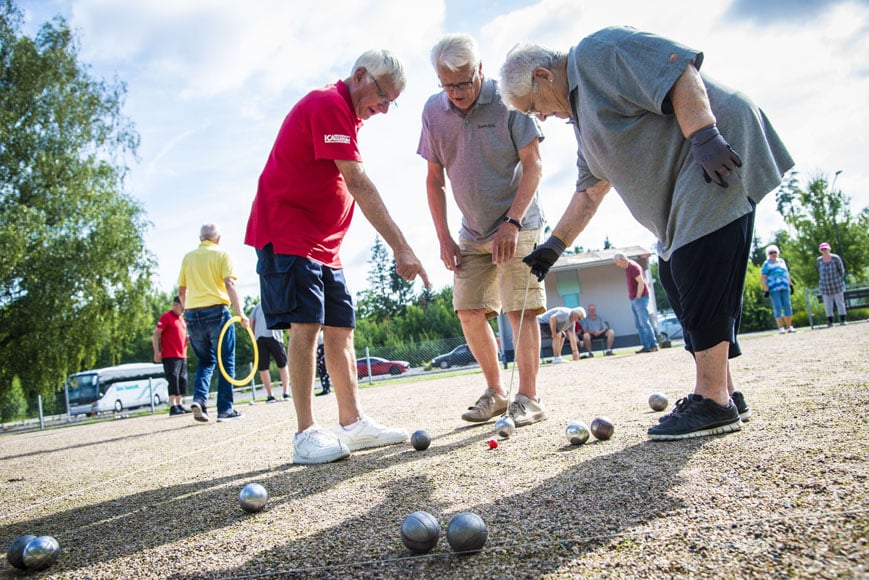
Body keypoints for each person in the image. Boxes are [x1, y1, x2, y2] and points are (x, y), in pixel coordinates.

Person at [500, 26, 793, 440]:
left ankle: (713, 401)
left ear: (545, 76)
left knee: (697, 262)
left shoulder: (596, 53)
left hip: (713, 152)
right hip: (684, 185)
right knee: (676, 275)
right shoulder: (584, 123)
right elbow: (588, 192)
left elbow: (676, 69)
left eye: (534, 107)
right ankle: (725, 391)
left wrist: (704, 134)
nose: (541, 117)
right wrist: (554, 246)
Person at [245, 49, 430, 464]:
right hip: (288, 231)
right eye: (383, 97)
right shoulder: (329, 103)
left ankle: (352, 421)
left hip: (324, 244)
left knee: (341, 328)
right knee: (305, 325)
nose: (383, 110)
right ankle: (305, 432)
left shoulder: (350, 116)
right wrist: (402, 246)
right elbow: (358, 182)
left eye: (390, 103)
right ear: (360, 76)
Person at [417, 33, 547, 426]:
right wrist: (443, 237)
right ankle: (496, 392)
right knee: (468, 309)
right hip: (470, 232)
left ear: (480, 71)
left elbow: (534, 164)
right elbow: (433, 180)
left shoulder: (509, 99)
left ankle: (529, 397)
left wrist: (512, 221)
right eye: (447, 84)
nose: (455, 92)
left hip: (518, 222)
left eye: (463, 82)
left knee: (519, 308)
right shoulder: (433, 111)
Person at [178, 223, 249, 423]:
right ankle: (225, 410)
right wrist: (241, 313)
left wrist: (186, 312)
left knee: (206, 360)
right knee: (226, 361)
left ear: (201, 239)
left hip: (192, 313)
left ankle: (199, 399)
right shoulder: (221, 254)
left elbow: (181, 291)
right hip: (217, 312)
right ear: (218, 239)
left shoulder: (188, 257)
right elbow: (229, 283)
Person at [613, 253, 659, 353]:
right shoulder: (627, 268)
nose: (617, 265)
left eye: (617, 262)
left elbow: (641, 283)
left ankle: (653, 345)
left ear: (621, 260)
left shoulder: (633, 267)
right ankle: (646, 346)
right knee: (639, 325)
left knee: (644, 323)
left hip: (640, 298)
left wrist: (638, 297)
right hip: (634, 299)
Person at [152, 295, 189, 416]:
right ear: (176, 305)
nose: (183, 309)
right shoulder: (166, 317)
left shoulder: (182, 319)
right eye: (182, 306)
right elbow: (156, 334)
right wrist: (157, 352)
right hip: (170, 355)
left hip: (182, 354)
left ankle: (179, 404)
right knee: (173, 378)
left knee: (182, 379)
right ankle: (173, 406)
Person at [249, 302, 290, 402]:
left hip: (260, 338)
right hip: (275, 336)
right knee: (283, 365)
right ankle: (286, 393)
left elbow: (251, 321)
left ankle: (270, 395)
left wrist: (253, 335)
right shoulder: (278, 303)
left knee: (264, 367)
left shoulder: (258, 306)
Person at [760, 244, 796, 334]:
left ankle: (789, 326)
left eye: (775, 252)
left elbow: (786, 273)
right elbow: (763, 277)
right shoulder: (766, 264)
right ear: (768, 254)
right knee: (778, 306)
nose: (773, 254)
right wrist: (766, 289)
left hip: (784, 286)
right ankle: (781, 327)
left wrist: (790, 284)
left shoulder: (781, 261)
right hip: (774, 288)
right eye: (771, 252)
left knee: (787, 305)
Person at [817, 242, 847, 327]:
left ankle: (842, 319)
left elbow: (841, 270)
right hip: (825, 286)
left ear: (829, 249)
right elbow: (819, 271)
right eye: (822, 249)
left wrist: (839, 280)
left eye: (825, 249)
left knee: (840, 302)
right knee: (828, 305)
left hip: (837, 285)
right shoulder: (819, 260)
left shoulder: (835, 258)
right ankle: (830, 321)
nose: (824, 250)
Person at [315, 331, 331, 396]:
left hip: (322, 347)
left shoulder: (321, 333)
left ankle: (326, 388)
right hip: (321, 347)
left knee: (323, 370)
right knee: (322, 370)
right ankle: (326, 388)